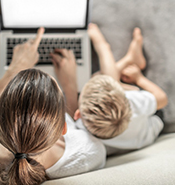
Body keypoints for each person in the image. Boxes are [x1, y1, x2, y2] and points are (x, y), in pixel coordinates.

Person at [0, 28, 106, 185]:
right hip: (64, 83)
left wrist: (13, 71)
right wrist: (69, 85)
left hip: (0, 82)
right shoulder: (86, 152)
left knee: (7, 32)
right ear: (63, 127)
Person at [52, 23, 168, 156]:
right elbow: (162, 99)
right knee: (100, 78)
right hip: (152, 120)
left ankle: (128, 60)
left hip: (133, 130)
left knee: (97, 77)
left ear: (78, 114)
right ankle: (107, 49)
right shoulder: (131, 104)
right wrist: (139, 78)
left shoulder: (84, 134)